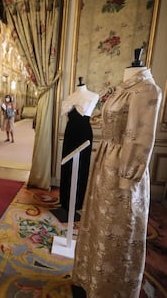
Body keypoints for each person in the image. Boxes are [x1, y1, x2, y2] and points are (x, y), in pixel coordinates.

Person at [72, 50, 162, 297]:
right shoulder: (123, 87)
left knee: (116, 229)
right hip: (105, 164)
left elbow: (140, 140)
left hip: (123, 171)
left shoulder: (147, 90)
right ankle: (89, 276)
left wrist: (127, 177)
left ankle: (110, 287)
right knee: (98, 225)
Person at [59, 77, 99, 212]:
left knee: (82, 165)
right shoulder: (70, 97)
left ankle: (77, 202)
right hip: (70, 134)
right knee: (67, 165)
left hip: (84, 134)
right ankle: (65, 201)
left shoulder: (93, 96)